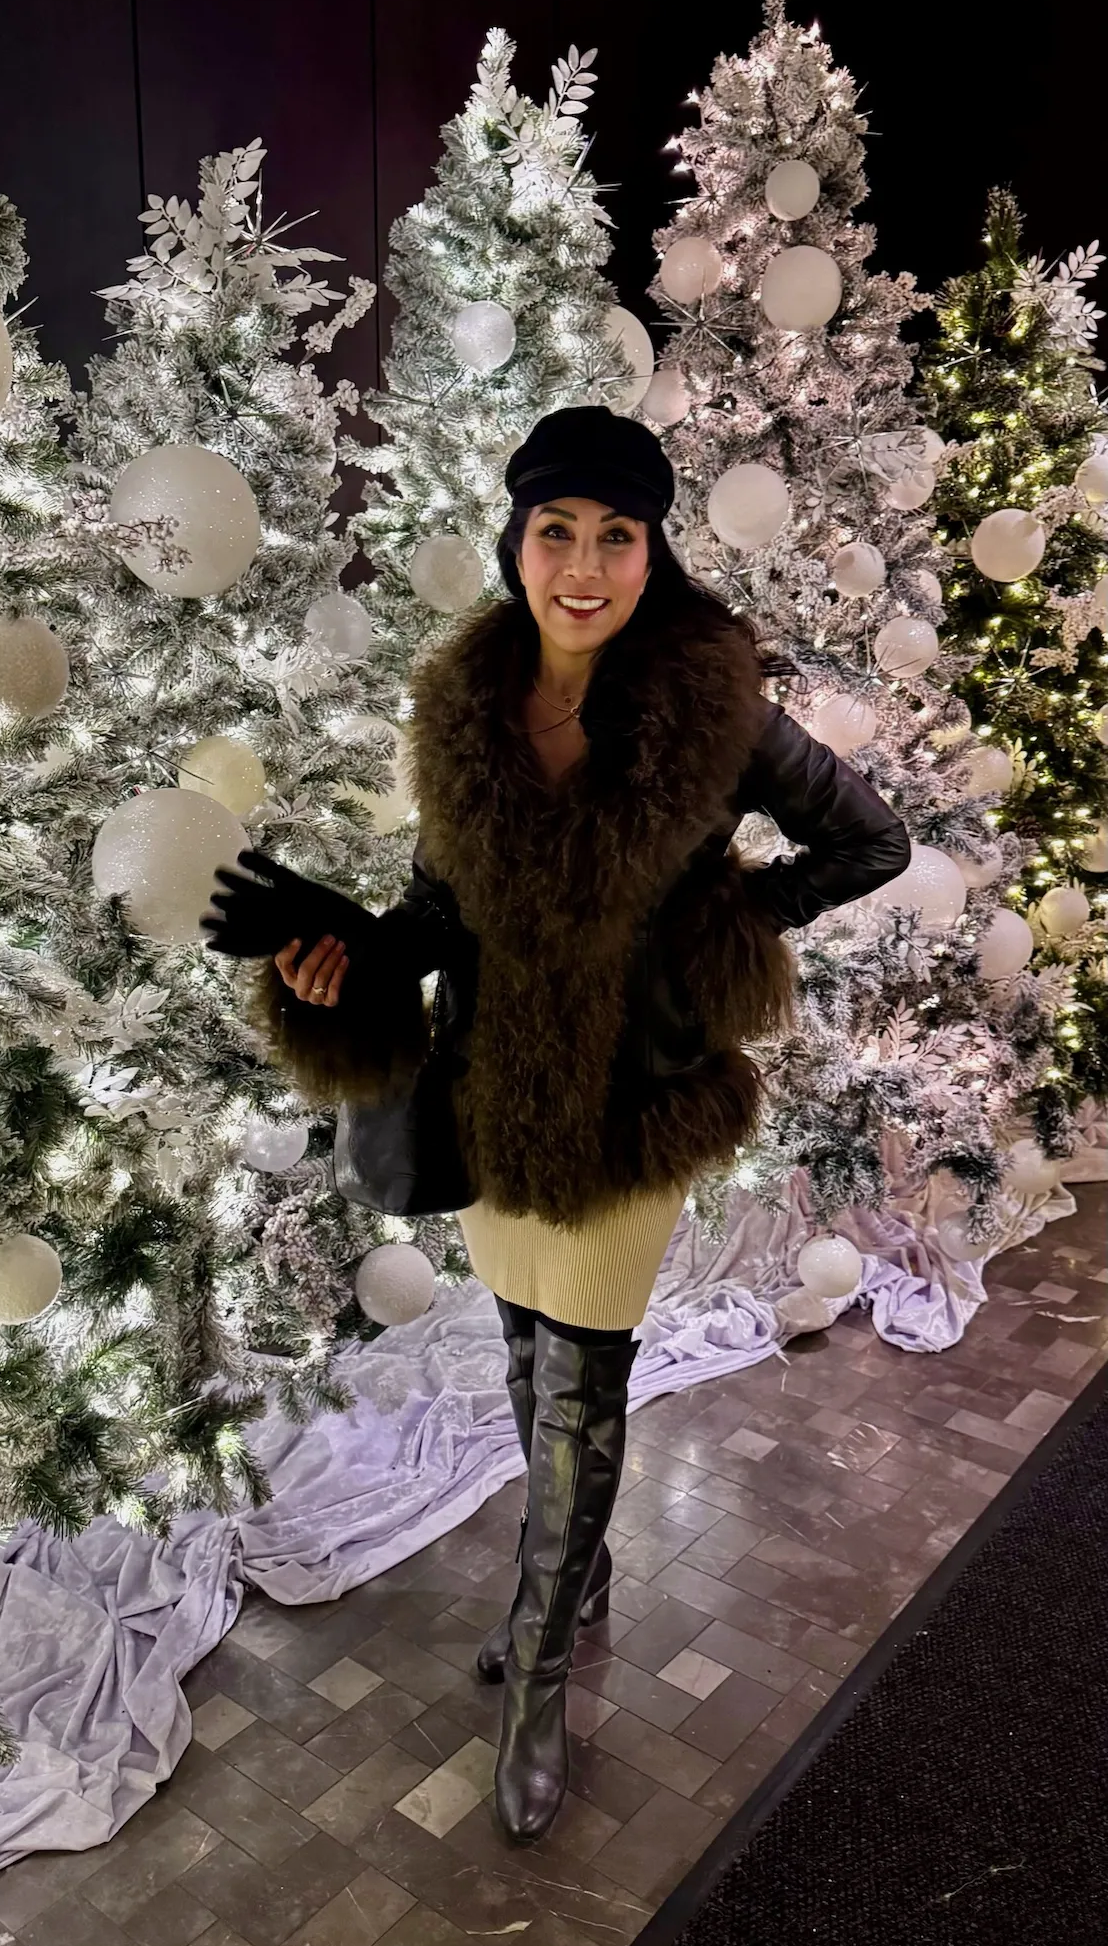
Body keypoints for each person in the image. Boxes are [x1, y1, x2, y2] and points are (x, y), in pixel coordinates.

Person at [203, 405, 910, 1845]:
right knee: (528, 1359)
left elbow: (870, 841)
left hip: (637, 1102)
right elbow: (435, 914)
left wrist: (724, 925)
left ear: (654, 550)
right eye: (556, 532)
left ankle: (536, 1673)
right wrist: (347, 956)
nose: (583, 566)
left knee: (585, 1380)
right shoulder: (464, 708)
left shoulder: (717, 708)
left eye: (617, 536)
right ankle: (571, 1581)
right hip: (498, 1095)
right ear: (518, 539)